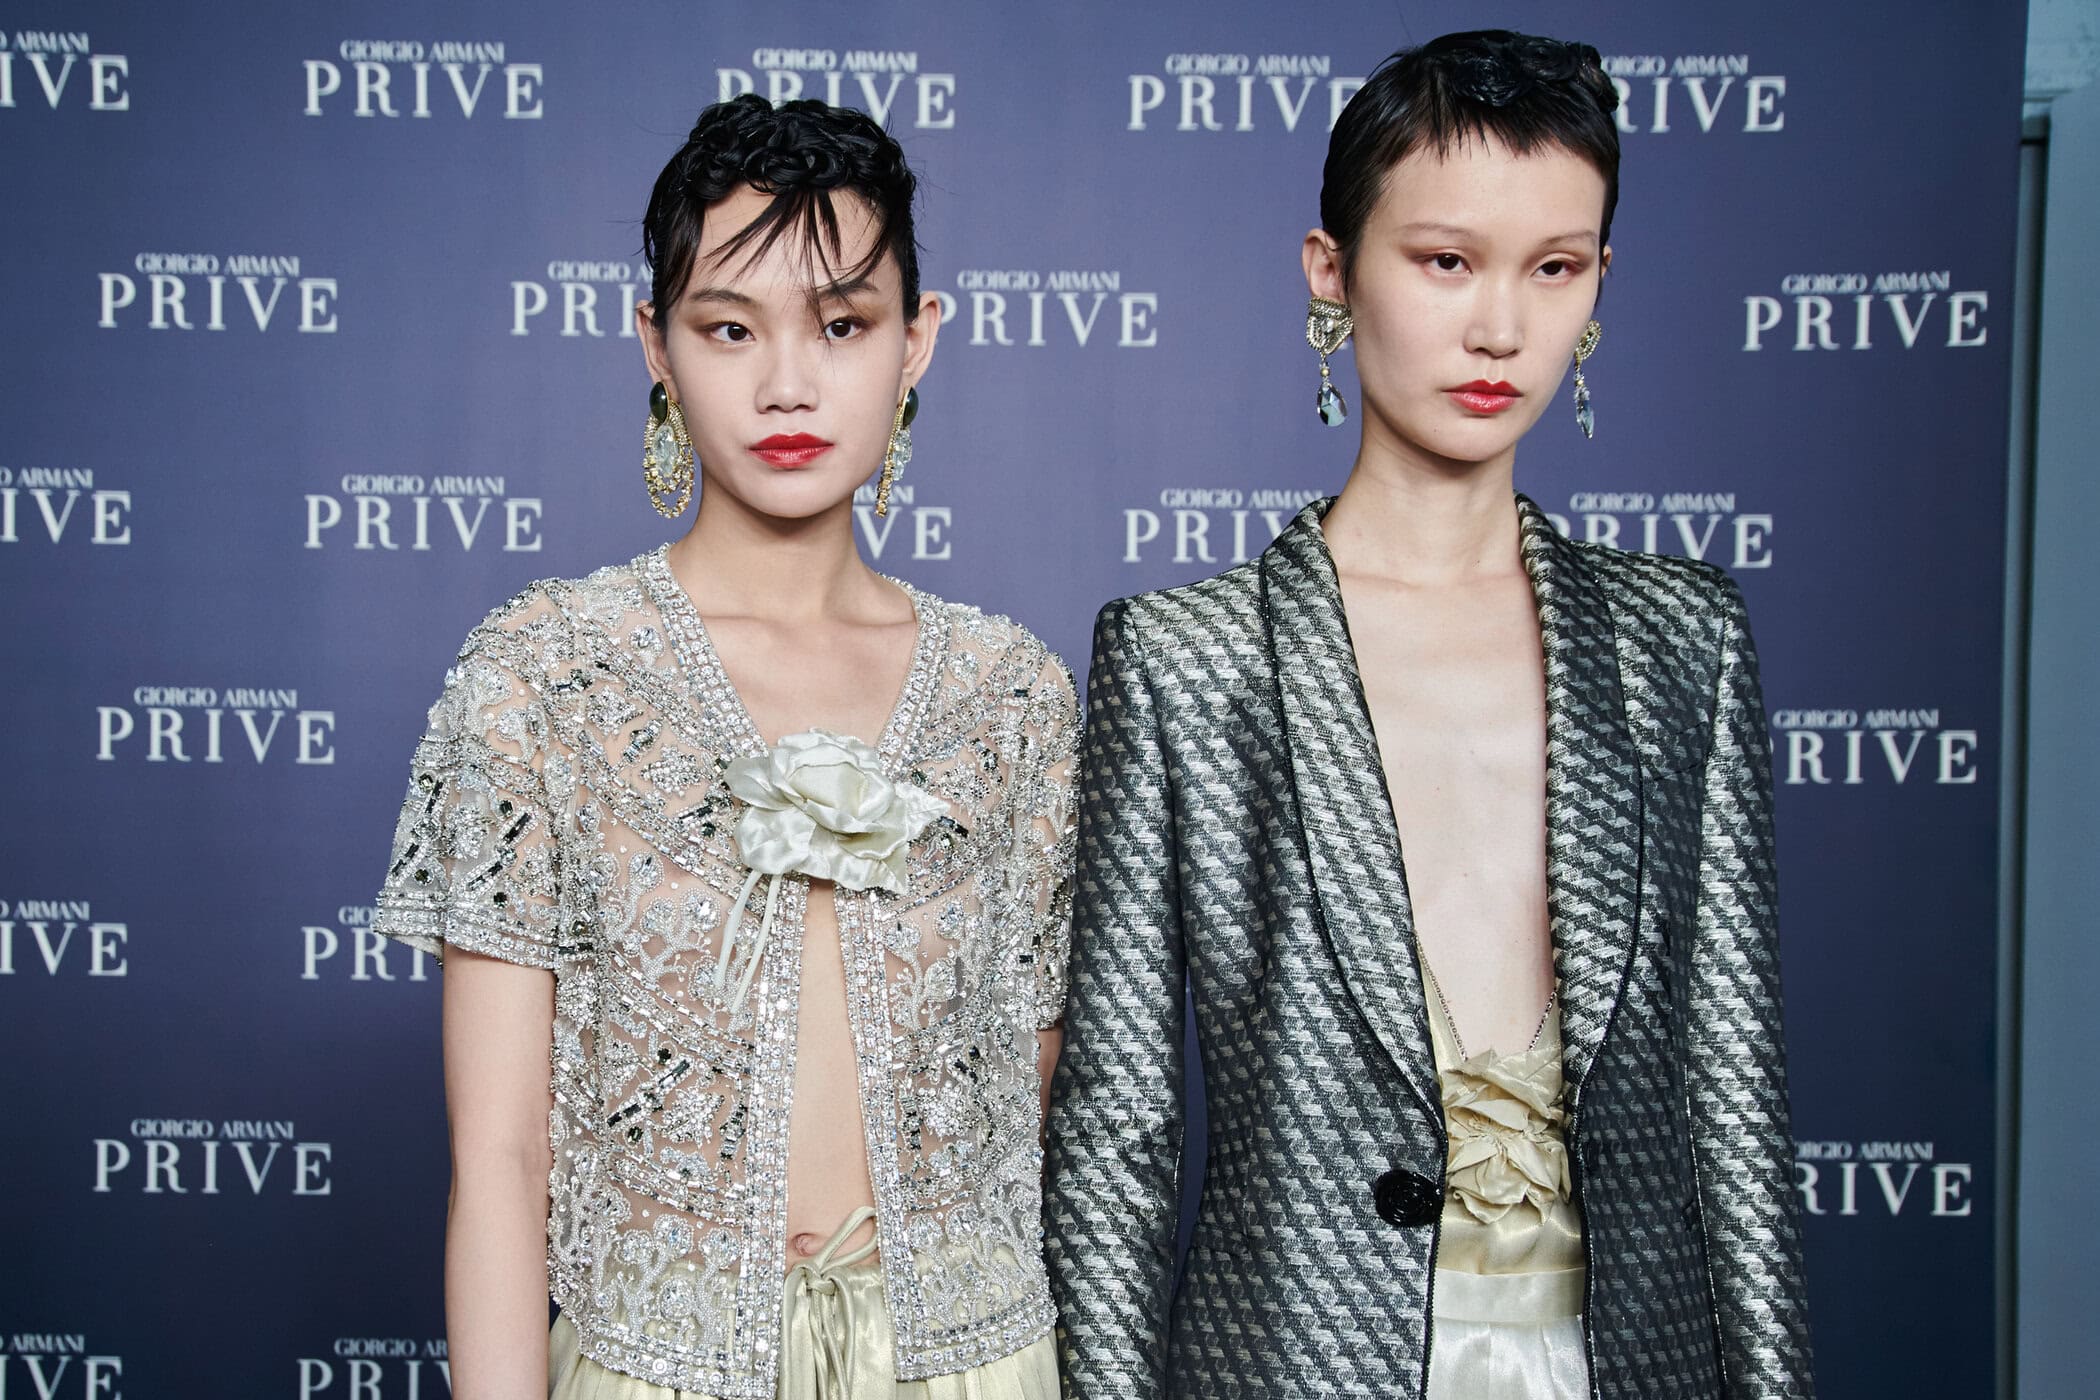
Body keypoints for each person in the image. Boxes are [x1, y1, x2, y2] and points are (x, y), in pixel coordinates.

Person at [1045, 30, 1812, 1400]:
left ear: (1600, 280)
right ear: (1332, 271)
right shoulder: (1184, 662)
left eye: (1554, 268)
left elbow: (1736, 1106)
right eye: (1447, 261)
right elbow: (1117, 1137)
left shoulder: (1680, 643)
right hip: (1288, 1366)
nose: (1501, 328)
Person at [374, 94, 1072, 1400]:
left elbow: (1030, 1119)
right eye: (730, 327)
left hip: (978, 1368)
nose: (787, 383)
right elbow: (500, 1161)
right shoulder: (544, 676)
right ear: (656, 342)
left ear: (917, 341)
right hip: (653, 1371)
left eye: (843, 325)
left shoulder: (1013, 696)